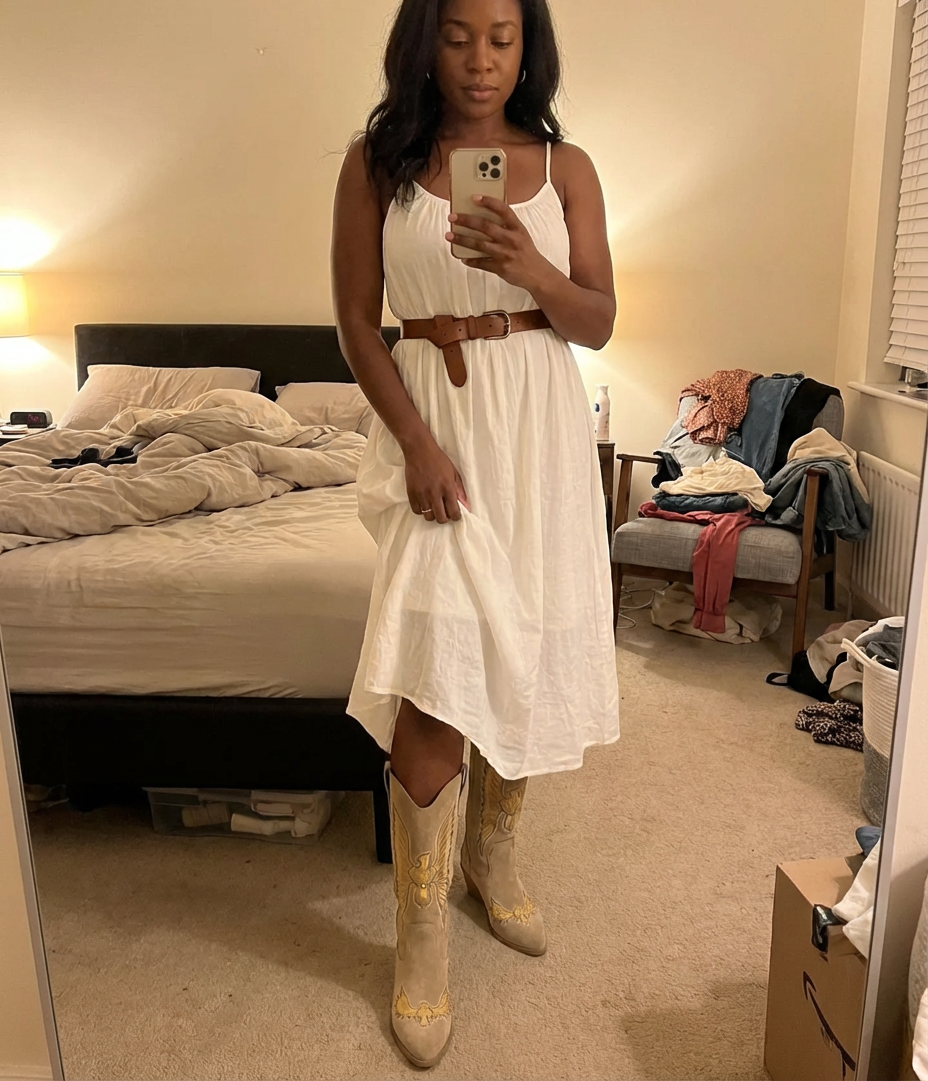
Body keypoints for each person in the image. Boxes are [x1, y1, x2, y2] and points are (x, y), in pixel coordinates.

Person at [331, 0, 620, 1066]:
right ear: (425, 40)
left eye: (502, 36)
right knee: (434, 676)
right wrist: (413, 443)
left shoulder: (566, 167)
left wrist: (532, 270)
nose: (481, 59)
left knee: (522, 649)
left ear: (527, 45)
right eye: (458, 35)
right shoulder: (378, 164)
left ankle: (490, 859)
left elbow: (597, 320)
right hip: (437, 434)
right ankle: (419, 937)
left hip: (538, 437)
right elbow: (357, 320)